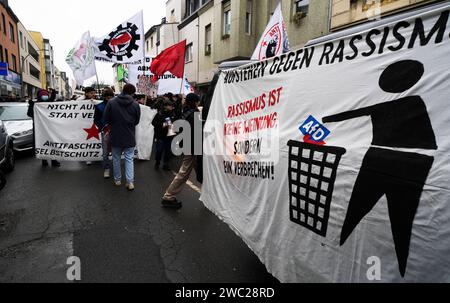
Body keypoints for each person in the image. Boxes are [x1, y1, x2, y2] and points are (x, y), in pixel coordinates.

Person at [161, 93, 202, 208]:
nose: (199, 103)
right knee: (184, 173)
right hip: (193, 148)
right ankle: (168, 197)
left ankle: (209, 195)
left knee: (202, 172)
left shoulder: (185, 112)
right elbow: (197, 134)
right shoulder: (195, 113)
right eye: (197, 101)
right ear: (195, 102)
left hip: (188, 146)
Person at [104, 84, 141, 191]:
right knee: (129, 158)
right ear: (132, 93)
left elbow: (106, 119)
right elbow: (137, 121)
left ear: (122, 90)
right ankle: (130, 182)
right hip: (129, 134)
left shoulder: (111, 102)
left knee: (116, 158)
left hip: (115, 134)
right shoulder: (135, 104)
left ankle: (117, 180)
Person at [27, 89, 60, 168]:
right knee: (42, 143)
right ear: (39, 96)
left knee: (51, 143)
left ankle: (53, 160)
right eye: (43, 95)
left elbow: (52, 99)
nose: (45, 97)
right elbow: (30, 114)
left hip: (50, 127)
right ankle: (44, 160)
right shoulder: (35, 104)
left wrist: (53, 92)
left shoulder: (49, 103)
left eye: (46, 95)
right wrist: (31, 105)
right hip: (40, 128)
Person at [94, 88, 115, 179]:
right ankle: (106, 168)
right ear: (104, 97)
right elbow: (96, 119)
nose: (109, 98)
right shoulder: (99, 107)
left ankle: (116, 168)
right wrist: (102, 127)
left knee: (115, 150)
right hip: (105, 131)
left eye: (111, 96)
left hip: (115, 130)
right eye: (107, 96)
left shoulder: (117, 105)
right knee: (105, 151)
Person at [152, 100, 177, 171]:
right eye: (170, 105)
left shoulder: (173, 114)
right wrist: (162, 125)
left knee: (167, 151)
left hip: (169, 136)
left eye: (172, 106)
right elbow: (153, 122)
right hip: (160, 135)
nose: (172, 107)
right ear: (165, 106)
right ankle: (157, 161)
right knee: (159, 150)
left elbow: (174, 122)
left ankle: (166, 164)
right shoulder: (159, 114)